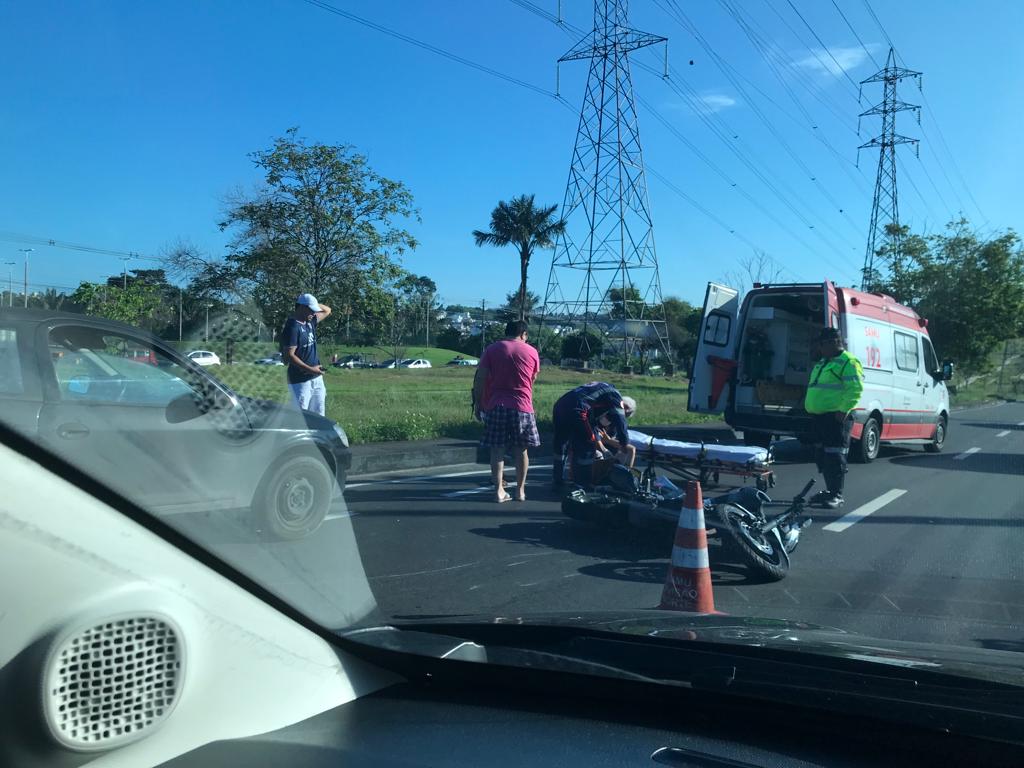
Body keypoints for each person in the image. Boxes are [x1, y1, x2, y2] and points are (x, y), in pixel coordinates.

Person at [472, 320, 541, 503]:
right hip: (522, 406)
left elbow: (480, 378)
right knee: (521, 450)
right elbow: (532, 379)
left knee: (497, 450)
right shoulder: (532, 351)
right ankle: (520, 490)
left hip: (497, 405)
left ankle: (499, 491)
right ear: (523, 334)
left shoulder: (492, 349)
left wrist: (479, 403)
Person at [804, 327, 864, 509]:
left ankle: (837, 494)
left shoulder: (848, 362)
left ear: (834, 342)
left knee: (834, 456)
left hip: (836, 417)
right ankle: (830, 490)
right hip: (820, 417)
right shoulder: (824, 362)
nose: (819, 348)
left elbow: (855, 389)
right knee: (822, 455)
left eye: (822, 344)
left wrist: (843, 411)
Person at [551, 382, 636, 490]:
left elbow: (592, 424)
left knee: (561, 442)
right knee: (586, 445)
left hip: (560, 405)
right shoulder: (615, 397)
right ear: (626, 408)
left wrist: (603, 449)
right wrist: (624, 443)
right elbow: (621, 421)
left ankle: (557, 479)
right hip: (577, 409)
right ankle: (582, 483)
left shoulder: (600, 394)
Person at [282, 293, 332, 416]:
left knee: (319, 416)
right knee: (301, 417)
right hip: (300, 381)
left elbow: (327, 310)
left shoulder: (310, 322)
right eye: (311, 310)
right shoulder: (293, 327)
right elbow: (289, 356)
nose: (314, 313)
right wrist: (310, 369)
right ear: (302, 308)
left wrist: (312, 303)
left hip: (316, 378)